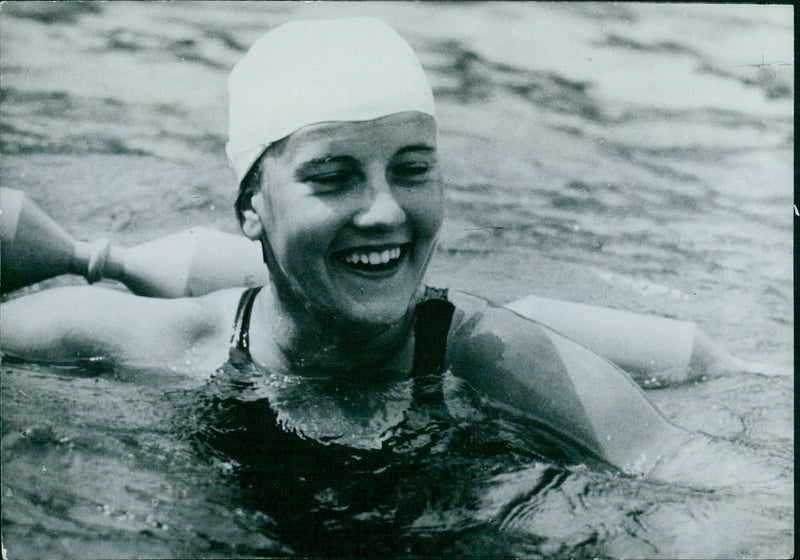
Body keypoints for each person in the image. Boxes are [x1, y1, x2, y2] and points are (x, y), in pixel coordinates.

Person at [1, 17, 688, 476]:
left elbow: (693, 472)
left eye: (414, 170)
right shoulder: (178, 341)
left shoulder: (493, 357)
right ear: (250, 210)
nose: (386, 211)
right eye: (333, 178)